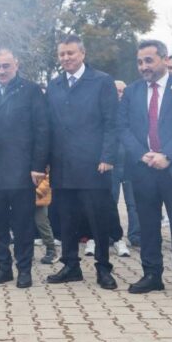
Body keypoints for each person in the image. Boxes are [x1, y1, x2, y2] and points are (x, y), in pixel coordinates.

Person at [117, 40, 172, 300]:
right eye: (140, 61)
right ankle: (152, 274)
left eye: (149, 60)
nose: (144, 66)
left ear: (164, 59)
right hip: (144, 169)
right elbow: (123, 128)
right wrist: (142, 154)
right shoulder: (132, 92)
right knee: (148, 225)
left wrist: (167, 155)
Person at [44, 37, 119, 290]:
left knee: (98, 219)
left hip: (94, 165)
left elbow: (112, 122)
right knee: (66, 219)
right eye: (62, 54)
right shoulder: (54, 84)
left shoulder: (102, 81)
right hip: (63, 165)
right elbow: (49, 126)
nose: (66, 58)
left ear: (83, 53)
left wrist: (108, 157)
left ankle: (103, 268)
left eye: (71, 53)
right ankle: (70, 266)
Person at [0, 49, 48, 289]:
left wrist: (37, 166)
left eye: (6, 66)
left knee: (23, 224)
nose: (1, 71)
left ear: (16, 65)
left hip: (23, 170)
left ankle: (24, 270)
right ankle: (4, 268)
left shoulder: (31, 91)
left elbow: (42, 130)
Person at [111, 80, 139, 251]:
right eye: (116, 91)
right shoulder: (105, 110)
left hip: (130, 162)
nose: (119, 94)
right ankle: (111, 234)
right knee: (110, 201)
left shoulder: (134, 111)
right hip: (111, 163)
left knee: (134, 202)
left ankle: (136, 235)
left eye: (122, 91)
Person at [34, 172, 57, 265]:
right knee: (23, 225)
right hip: (22, 195)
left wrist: (38, 192)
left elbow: (48, 177)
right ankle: (25, 251)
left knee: (42, 223)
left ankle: (51, 249)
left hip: (39, 197)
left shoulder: (42, 160)